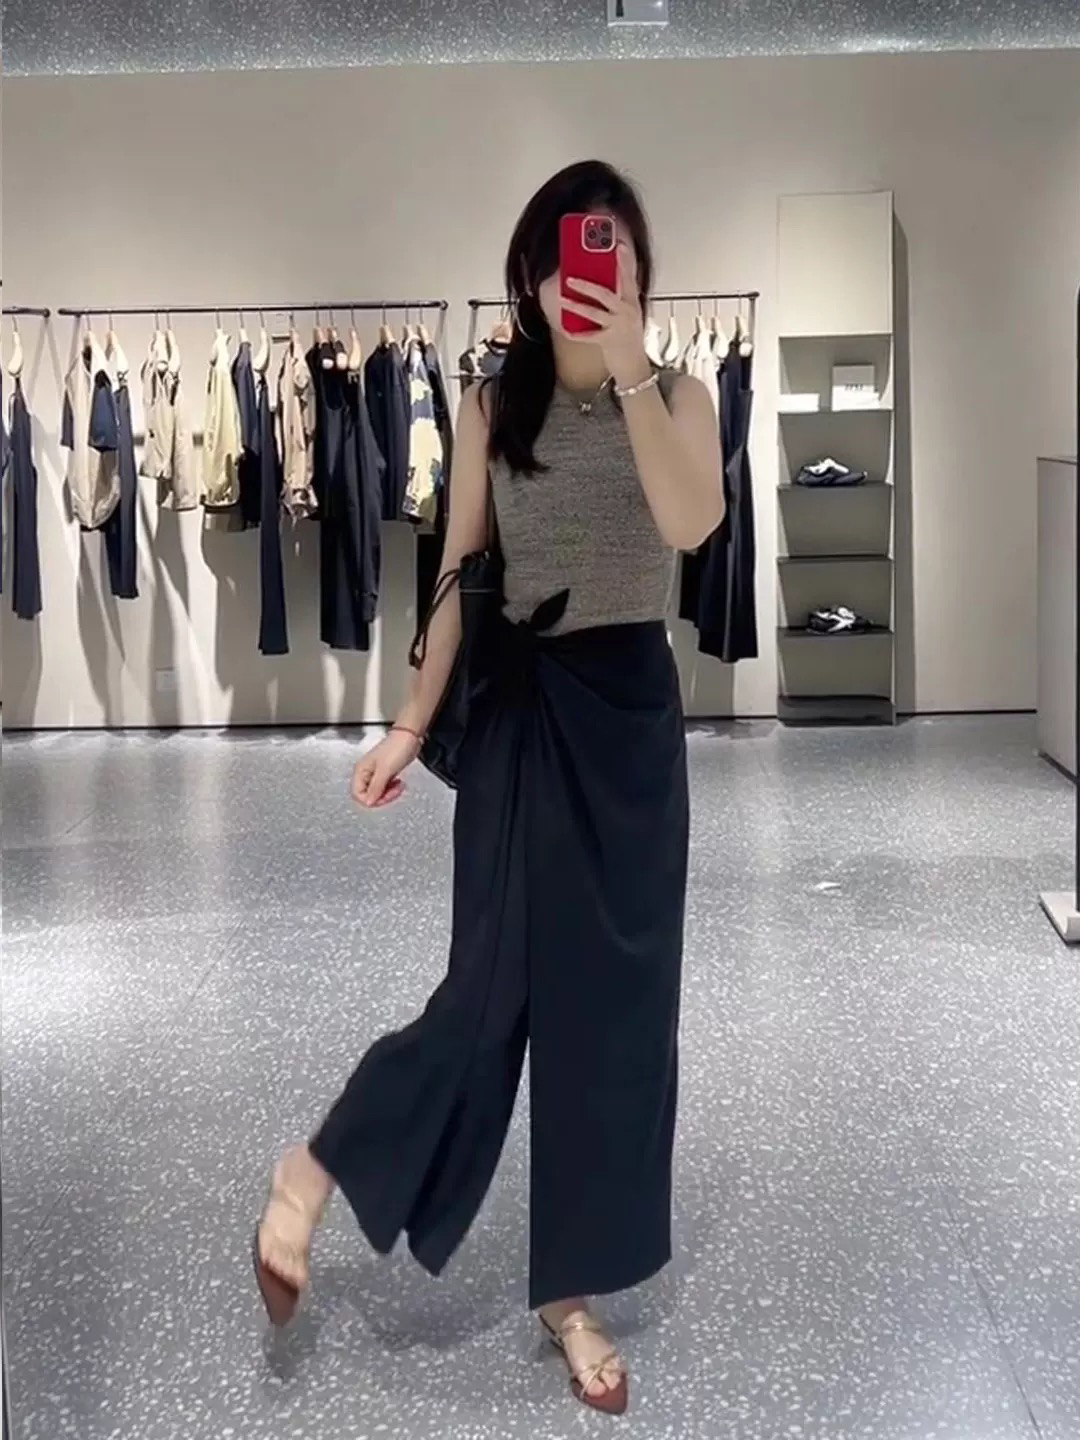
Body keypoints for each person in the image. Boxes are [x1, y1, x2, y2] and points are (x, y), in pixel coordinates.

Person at [253, 159, 725, 1416]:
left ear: (638, 271)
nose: (587, 273)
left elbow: (691, 524)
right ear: (529, 273)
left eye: (610, 251)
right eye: (568, 252)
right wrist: (411, 723)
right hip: (522, 713)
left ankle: (570, 1291)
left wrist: (630, 368)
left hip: (632, 724)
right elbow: (462, 574)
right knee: (487, 992)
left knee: (618, 1020)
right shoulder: (485, 408)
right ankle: (313, 1169)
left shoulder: (680, 395)